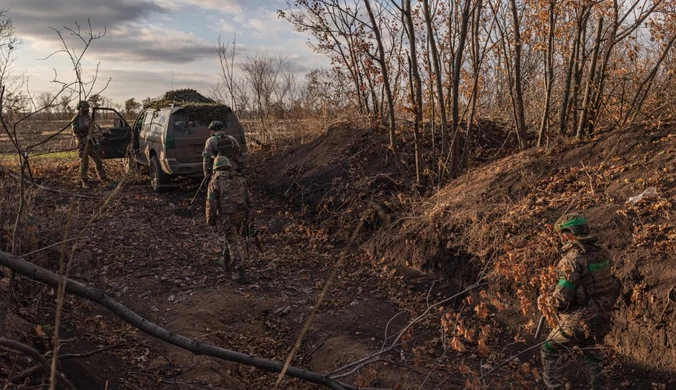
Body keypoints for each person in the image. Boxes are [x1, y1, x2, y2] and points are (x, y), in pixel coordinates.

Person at [539, 213, 621, 389]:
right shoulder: (602, 254)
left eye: (562, 234)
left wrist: (547, 299)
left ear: (569, 234)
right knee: (593, 355)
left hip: (578, 320)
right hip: (602, 318)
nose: (561, 238)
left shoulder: (571, 260)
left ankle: (555, 386)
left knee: (549, 349)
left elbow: (562, 299)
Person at [206, 156, 252, 283]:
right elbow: (249, 198)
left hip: (226, 216)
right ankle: (225, 261)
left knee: (232, 242)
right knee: (230, 237)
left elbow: (211, 203)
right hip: (241, 215)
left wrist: (210, 219)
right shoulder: (239, 178)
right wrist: (249, 215)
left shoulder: (215, 181)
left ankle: (241, 272)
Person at [72, 100, 106, 188]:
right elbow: (75, 130)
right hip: (82, 145)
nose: (86, 109)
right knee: (84, 163)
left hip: (91, 143)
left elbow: (93, 127)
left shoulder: (89, 117)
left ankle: (103, 178)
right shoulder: (76, 119)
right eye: (84, 108)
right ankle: (84, 181)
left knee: (98, 160)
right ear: (80, 108)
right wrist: (85, 126)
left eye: (87, 108)